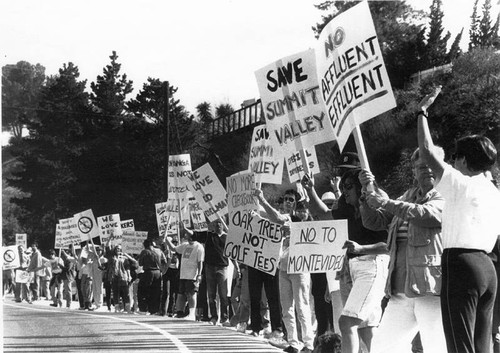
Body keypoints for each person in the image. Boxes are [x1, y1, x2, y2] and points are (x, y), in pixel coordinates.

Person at [417, 87, 500, 353]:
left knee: (459, 345)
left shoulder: (461, 183)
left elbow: (428, 153)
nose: (452, 162)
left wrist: (422, 112)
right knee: (482, 345)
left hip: (462, 264)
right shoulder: (494, 190)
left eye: (455, 158)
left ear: (463, 160)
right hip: (488, 267)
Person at [359, 147, 447, 353]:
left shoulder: (446, 194)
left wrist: (386, 202)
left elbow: (427, 215)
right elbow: (375, 221)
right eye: (420, 167)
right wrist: (366, 194)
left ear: (441, 167)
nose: (426, 171)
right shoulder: (407, 196)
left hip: (429, 288)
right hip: (401, 288)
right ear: (414, 173)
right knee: (383, 348)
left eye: (430, 165)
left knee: (437, 348)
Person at [303, 168, 389, 353]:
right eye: (342, 187)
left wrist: (361, 248)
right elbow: (323, 215)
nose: (344, 191)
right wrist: (310, 190)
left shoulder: (378, 201)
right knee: (367, 329)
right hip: (351, 270)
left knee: (347, 321)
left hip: (373, 265)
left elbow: (390, 244)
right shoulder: (347, 208)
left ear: (361, 186)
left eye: (349, 186)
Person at [256, 189, 315, 353]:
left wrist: (262, 199)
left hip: (300, 267)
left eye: (292, 199)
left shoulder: (302, 219)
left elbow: (277, 217)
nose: (288, 202)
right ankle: (294, 342)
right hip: (283, 266)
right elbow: (272, 217)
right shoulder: (286, 219)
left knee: (302, 306)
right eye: (286, 199)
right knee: (287, 307)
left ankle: (308, 344)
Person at [194, 218, 240, 326]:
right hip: (209, 267)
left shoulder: (227, 238)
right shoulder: (208, 236)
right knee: (211, 294)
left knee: (223, 294)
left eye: (220, 223)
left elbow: (232, 255)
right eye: (216, 223)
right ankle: (214, 317)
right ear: (213, 226)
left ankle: (224, 318)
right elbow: (194, 234)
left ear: (223, 225)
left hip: (222, 268)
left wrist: (237, 268)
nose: (218, 225)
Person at [164, 221, 204, 321]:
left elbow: (200, 262)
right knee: (180, 294)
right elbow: (173, 248)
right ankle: (180, 312)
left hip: (192, 275)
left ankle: (192, 313)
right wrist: (166, 239)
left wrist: (199, 274)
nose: (185, 234)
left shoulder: (199, 247)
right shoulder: (185, 245)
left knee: (191, 294)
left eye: (187, 234)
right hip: (183, 274)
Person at [138, 238, 166, 315]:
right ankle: (154, 310)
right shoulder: (159, 251)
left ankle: (144, 309)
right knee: (156, 292)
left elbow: (140, 263)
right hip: (158, 272)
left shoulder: (145, 252)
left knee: (144, 290)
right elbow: (165, 261)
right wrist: (163, 270)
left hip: (148, 272)